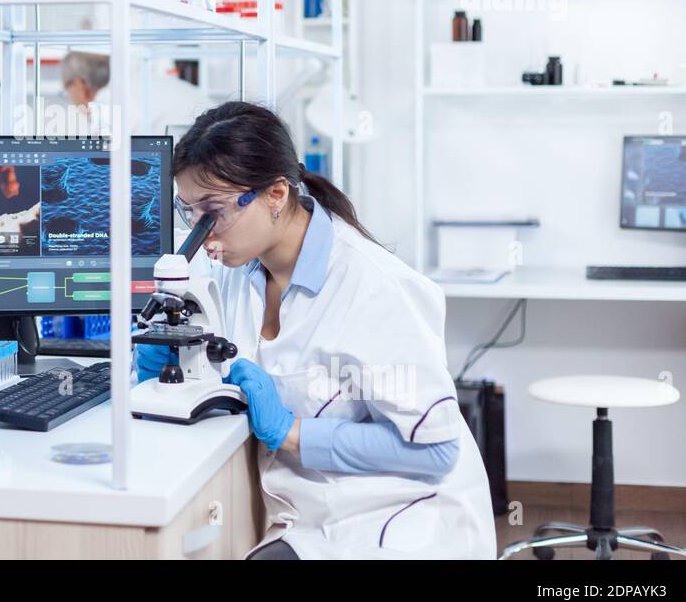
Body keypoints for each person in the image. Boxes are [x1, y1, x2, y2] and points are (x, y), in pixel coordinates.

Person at [140, 101, 497, 559]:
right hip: (305, 514)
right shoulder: (236, 271)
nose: (201, 232)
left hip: (399, 520)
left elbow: (435, 451)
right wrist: (171, 362)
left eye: (214, 213)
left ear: (275, 194)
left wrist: (291, 432)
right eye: (188, 212)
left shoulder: (374, 290)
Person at [60, 50, 210, 136]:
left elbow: (105, 159)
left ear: (79, 84)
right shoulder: (133, 82)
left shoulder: (108, 99)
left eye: (67, 88)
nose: (70, 98)